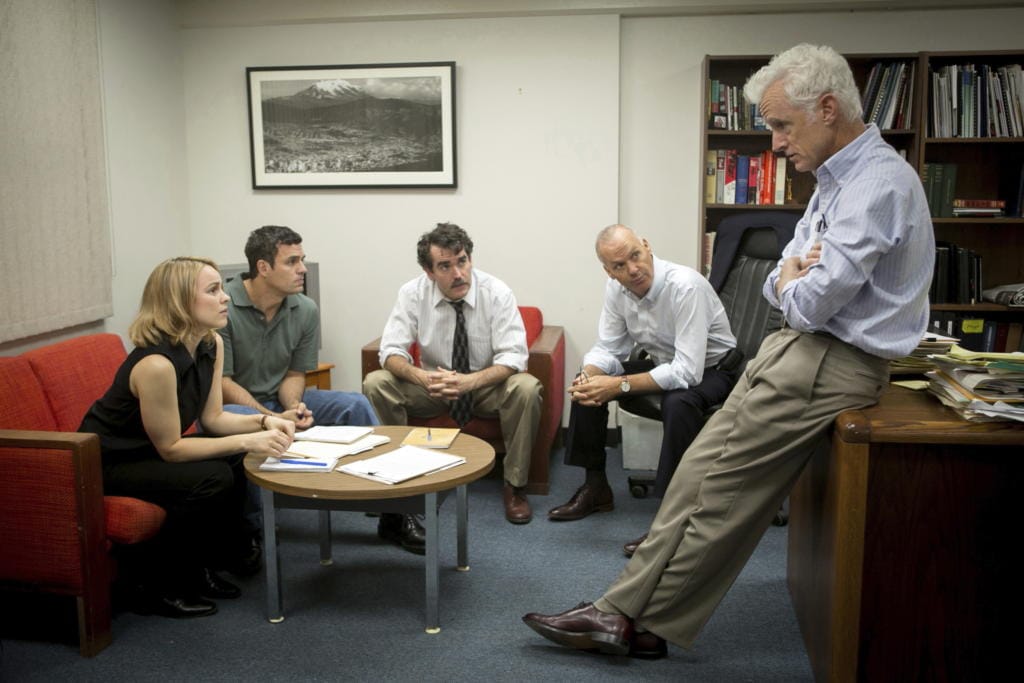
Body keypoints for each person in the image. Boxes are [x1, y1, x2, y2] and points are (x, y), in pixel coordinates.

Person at [523, 43, 934, 658]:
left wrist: (795, 279)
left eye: (780, 125)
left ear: (827, 108)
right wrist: (794, 275)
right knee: (695, 477)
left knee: (719, 491)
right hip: (798, 349)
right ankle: (635, 617)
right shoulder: (833, 183)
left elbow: (805, 301)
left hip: (829, 358)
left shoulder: (875, 185)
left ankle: (625, 614)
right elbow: (779, 282)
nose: (774, 143)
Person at [79, 257, 297, 619]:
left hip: (149, 453)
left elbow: (212, 420)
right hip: (108, 462)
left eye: (220, 288)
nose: (225, 297)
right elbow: (172, 449)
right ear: (179, 302)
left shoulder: (210, 343)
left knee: (232, 462)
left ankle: (205, 566)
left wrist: (266, 421)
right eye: (212, 290)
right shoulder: (156, 365)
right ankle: (158, 585)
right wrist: (249, 441)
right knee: (213, 476)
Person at [549, 224, 740, 558]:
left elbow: (687, 371)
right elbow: (609, 348)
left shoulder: (686, 286)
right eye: (619, 266)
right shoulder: (617, 290)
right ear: (608, 271)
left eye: (635, 256)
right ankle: (596, 487)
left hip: (715, 370)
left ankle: (669, 521)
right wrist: (592, 376)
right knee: (587, 386)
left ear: (647, 247)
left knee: (678, 403)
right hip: (664, 363)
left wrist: (619, 384)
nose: (633, 269)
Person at [218, 226, 402, 552]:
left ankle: (393, 513)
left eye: (302, 260)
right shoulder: (225, 307)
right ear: (263, 267)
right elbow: (223, 383)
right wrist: (269, 417)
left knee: (355, 404)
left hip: (279, 401)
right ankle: (253, 533)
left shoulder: (304, 308)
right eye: (292, 262)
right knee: (241, 415)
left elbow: (294, 372)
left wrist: (294, 408)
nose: (302, 269)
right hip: (232, 408)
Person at [363, 222, 543, 524]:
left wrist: (469, 381)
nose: (458, 273)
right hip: (432, 387)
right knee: (377, 382)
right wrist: (423, 378)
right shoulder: (412, 293)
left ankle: (515, 486)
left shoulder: (496, 292)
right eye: (445, 266)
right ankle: (394, 479)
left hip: (485, 387)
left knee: (526, 387)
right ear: (429, 272)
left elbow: (514, 357)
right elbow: (390, 351)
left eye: (462, 261)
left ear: (470, 259)